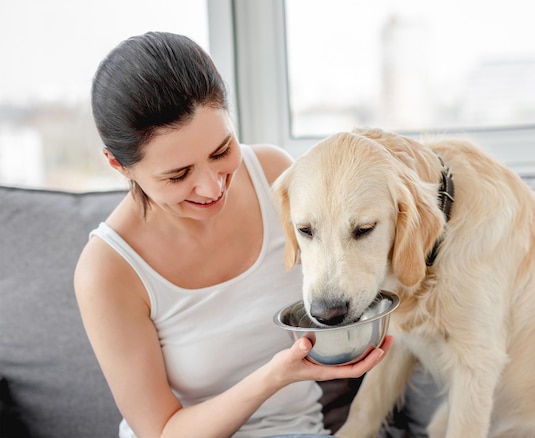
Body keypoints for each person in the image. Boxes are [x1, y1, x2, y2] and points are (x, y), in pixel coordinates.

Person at [74, 31, 392, 438]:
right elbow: (161, 431)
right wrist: (274, 377)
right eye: (178, 174)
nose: (212, 187)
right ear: (119, 165)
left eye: (222, 151)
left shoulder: (277, 175)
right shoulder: (107, 270)